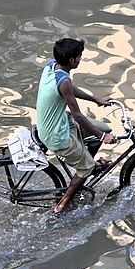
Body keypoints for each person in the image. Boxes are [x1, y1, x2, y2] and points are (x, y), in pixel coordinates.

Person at [36, 38, 116, 213]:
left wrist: (96, 99)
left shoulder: (53, 66)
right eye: (79, 57)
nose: (81, 59)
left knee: (102, 127)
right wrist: (102, 138)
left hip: (58, 121)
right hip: (56, 134)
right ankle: (62, 204)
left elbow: (69, 89)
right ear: (72, 60)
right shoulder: (63, 80)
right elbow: (78, 116)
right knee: (93, 151)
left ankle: (88, 164)